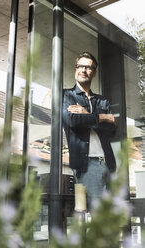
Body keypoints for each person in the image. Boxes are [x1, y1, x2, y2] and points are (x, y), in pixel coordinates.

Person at [63, 52, 117, 212]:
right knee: (98, 214)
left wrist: (86, 115)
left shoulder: (102, 101)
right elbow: (72, 120)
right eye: (80, 66)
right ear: (75, 69)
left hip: (108, 163)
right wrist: (102, 117)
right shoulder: (66, 95)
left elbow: (111, 130)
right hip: (88, 163)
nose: (83, 70)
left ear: (94, 72)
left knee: (108, 214)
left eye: (88, 67)